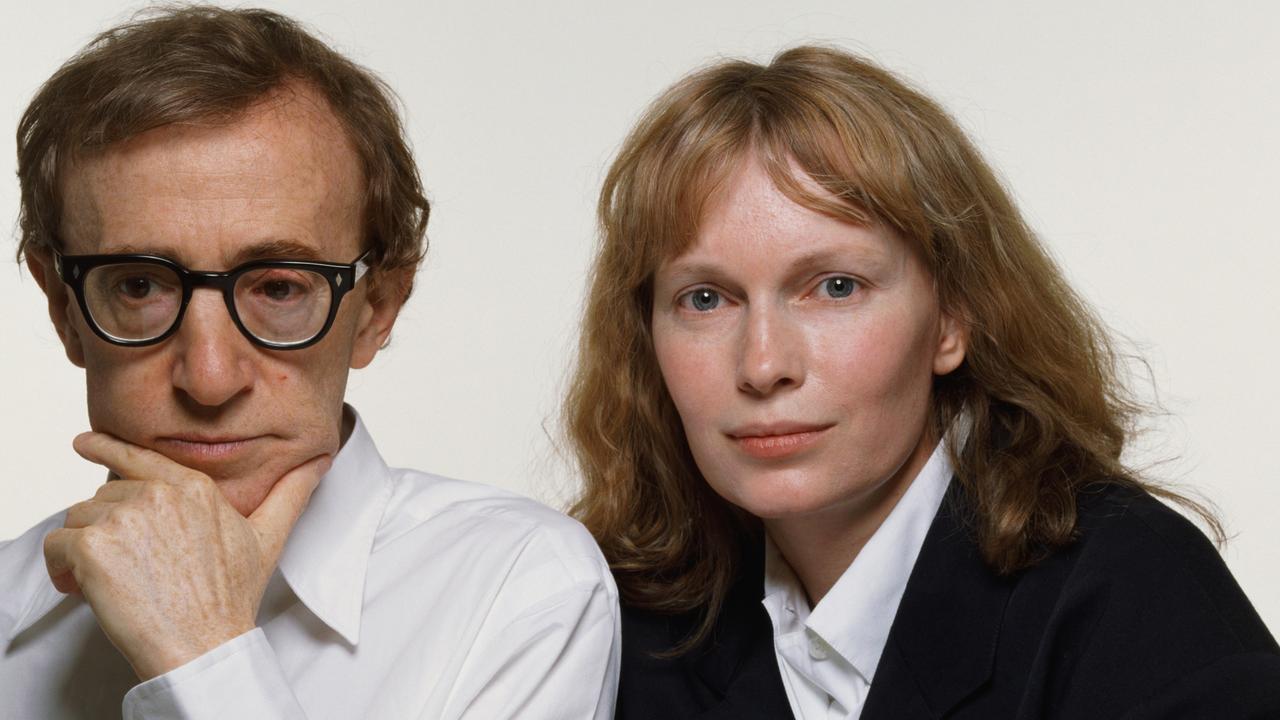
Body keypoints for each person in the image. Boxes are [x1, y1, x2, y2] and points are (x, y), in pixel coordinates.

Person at [565, 45, 1280, 718]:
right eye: (705, 299)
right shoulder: (627, 625)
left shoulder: (1132, 594)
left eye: (835, 286)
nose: (762, 365)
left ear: (952, 320)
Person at [0, 6, 618, 718]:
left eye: (279, 288)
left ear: (377, 309)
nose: (208, 378)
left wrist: (202, 657)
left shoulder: (521, 588)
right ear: (62, 308)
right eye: (139, 286)